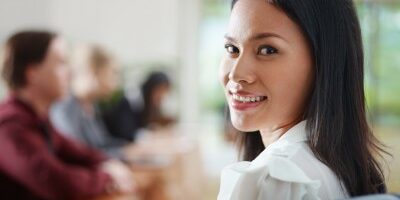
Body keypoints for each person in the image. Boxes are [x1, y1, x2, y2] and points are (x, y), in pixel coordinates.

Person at [217, 0, 387, 200]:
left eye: (267, 50)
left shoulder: (276, 178)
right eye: (232, 48)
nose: (236, 74)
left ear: (323, 62)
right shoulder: (331, 168)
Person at [0, 31, 134, 200]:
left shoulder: (38, 119)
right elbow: (57, 183)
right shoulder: (9, 126)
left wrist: (107, 163)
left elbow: (80, 153)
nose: (71, 73)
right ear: (32, 72)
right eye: (61, 63)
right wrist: (107, 177)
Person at [51, 44, 128, 158]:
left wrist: (130, 149)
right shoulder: (65, 107)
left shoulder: (89, 104)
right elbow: (78, 155)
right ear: (93, 70)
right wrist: (125, 153)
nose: (115, 83)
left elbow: (101, 144)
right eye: (112, 73)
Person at [101, 71, 175, 141]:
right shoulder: (131, 100)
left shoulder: (150, 105)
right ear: (150, 88)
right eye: (160, 90)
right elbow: (127, 134)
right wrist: (152, 135)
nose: (162, 96)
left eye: (165, 91)